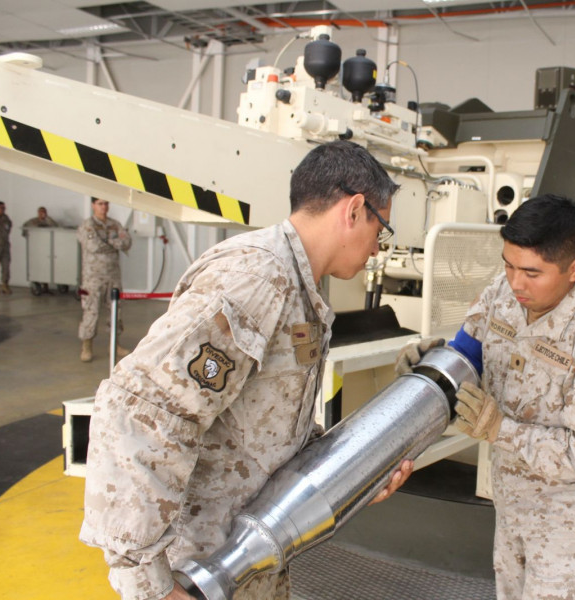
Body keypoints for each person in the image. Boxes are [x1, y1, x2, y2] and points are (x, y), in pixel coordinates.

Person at [80, 140, 412, 600]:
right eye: (383, 229)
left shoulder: (299, 287)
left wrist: (355, 478)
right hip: (198, 572)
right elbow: (138, 412)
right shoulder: (257, 278)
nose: (379, 248)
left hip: (246, 561)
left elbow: (264, 429)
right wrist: (151, 588)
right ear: (354, 210)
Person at [397, 195, 575, 600]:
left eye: (532, 272)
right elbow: (472, 349)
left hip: (569, 519)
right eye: (509, 264)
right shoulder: (505, 292)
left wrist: (498, 428)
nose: (516, 282)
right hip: (513, 499)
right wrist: (437, 363)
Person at [77, 197, 132, 362]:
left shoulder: (115, 224)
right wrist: (115, 242)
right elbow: (94, 246)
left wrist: (108, 240)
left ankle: (114, 345)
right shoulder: (87, 226)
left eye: (106, 203)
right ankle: (87, 346)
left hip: (113, 276)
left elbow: (127, 242)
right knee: (91, 311)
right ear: (93, 205)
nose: (104, 207)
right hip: (92, 278)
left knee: (116, 312)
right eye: (100, 203)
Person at [23, 206, 60, 293]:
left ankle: (45, 284)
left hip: (47, 247)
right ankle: (36, 283)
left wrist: (48, 218)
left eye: (44, 212)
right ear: (38, 212)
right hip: (36, 247)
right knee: (36, 265)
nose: (42, 214)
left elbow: (56, 227)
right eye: (41, 212)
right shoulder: (33, 221)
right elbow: (25, 230)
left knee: (46, 266)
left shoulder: (49, 221)